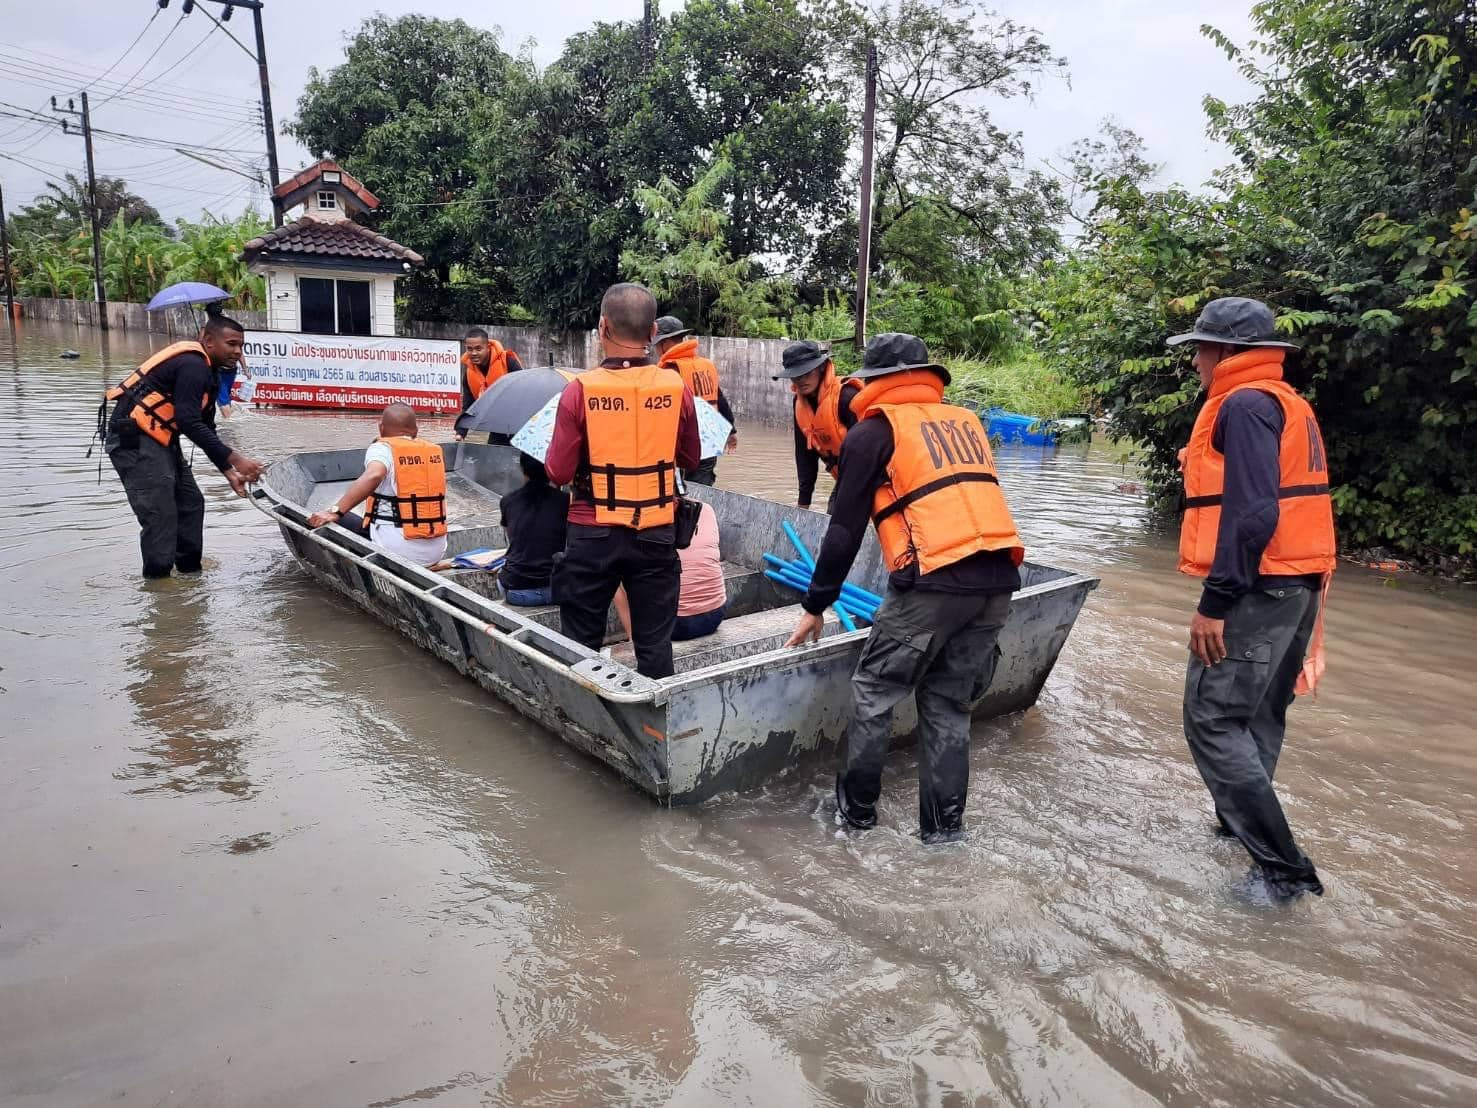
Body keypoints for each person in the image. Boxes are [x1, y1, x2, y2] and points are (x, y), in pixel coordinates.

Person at [785, 333, 1024, 843]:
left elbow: (845, 528)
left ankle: (855, 822)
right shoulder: (967, 421)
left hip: (932, 584)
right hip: (998, 582)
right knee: (947, 704)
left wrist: (816, 604)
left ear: (874, 382)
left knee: (874, 691)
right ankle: (943, 833)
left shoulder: (872, 432)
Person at [1168, 296, 1336, 899]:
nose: (1195, 364)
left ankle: (1283, 872)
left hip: (1257, 586)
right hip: (1298, 584)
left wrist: (1215, 601)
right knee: (1259, 714)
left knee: (1212, 719)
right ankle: (1237, 829)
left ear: (1228, 352)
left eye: (1200, 351)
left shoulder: (1242, 404)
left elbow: (1255, 512)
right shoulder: (1284, 401)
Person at [545, 283, 702, 679]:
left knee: (580, 643)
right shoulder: (676, 387)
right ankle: (654, 724)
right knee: (654, 644)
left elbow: (558, 472)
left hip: (591, 532)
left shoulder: (578, 391)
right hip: (656, 532)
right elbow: (691, 459)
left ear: (602, 327)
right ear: (653, 334)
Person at [102, 315, 266, 579]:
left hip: (160, 439)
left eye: (241, 346)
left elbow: (204, 426)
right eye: (232, 344)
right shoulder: (193, 365)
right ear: (209, 340)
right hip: (134, 440)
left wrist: (228, 472)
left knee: (191, 503)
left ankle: (190, 576)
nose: (237, 351)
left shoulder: (209, 371)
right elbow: (188, 422)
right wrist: (237, 459)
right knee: (161, 515)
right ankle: (159, 588)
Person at [306, 403, 449, 568]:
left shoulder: (382, 448)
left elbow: (374, 474)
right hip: (435, 553)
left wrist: (335, 511)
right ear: (415, 431)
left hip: (398, 552)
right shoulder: (433, 452)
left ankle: (352, 571)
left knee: (331, 518)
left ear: (381, 428)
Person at [614, 498, 727, 643]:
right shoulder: (705, 508)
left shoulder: (640, 514)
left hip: (669, 625)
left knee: (614, 573)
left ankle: (634, 640)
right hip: (716, 615)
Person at [775, 340, 863, 511]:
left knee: (837, 518)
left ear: (821, 368)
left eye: (806, 373)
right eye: (795, 375)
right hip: (845, 477)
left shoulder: (846, 397)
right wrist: (803, 504)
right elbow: (805, 456)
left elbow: (869, 451)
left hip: (872, 472)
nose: (800, 380)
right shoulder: (800, 404)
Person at [652, 315, 736, 486]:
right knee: (702, 492)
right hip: (710, 443)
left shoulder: (670, 371)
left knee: (681, 494)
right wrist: (731, 431)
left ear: (665, 343)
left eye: (656, 344)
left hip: (685, 445)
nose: (655, 350)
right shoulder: (706, 365)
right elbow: (719, 399)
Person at [497, 452, 569, 606]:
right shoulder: (565, 501)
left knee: (501, 573)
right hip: (557, 590)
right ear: (550, 469)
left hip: (517, 592)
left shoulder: (508, 501)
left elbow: (511, 540)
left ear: (523, 470)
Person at [459, 327, 525, 414]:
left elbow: (523, 392)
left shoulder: (508, 362)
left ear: (488, 347)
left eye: (478, 349)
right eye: (469, 349)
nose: (474, 353)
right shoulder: (468, 373)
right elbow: (467, 406)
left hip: (512, 414)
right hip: (485, 420)